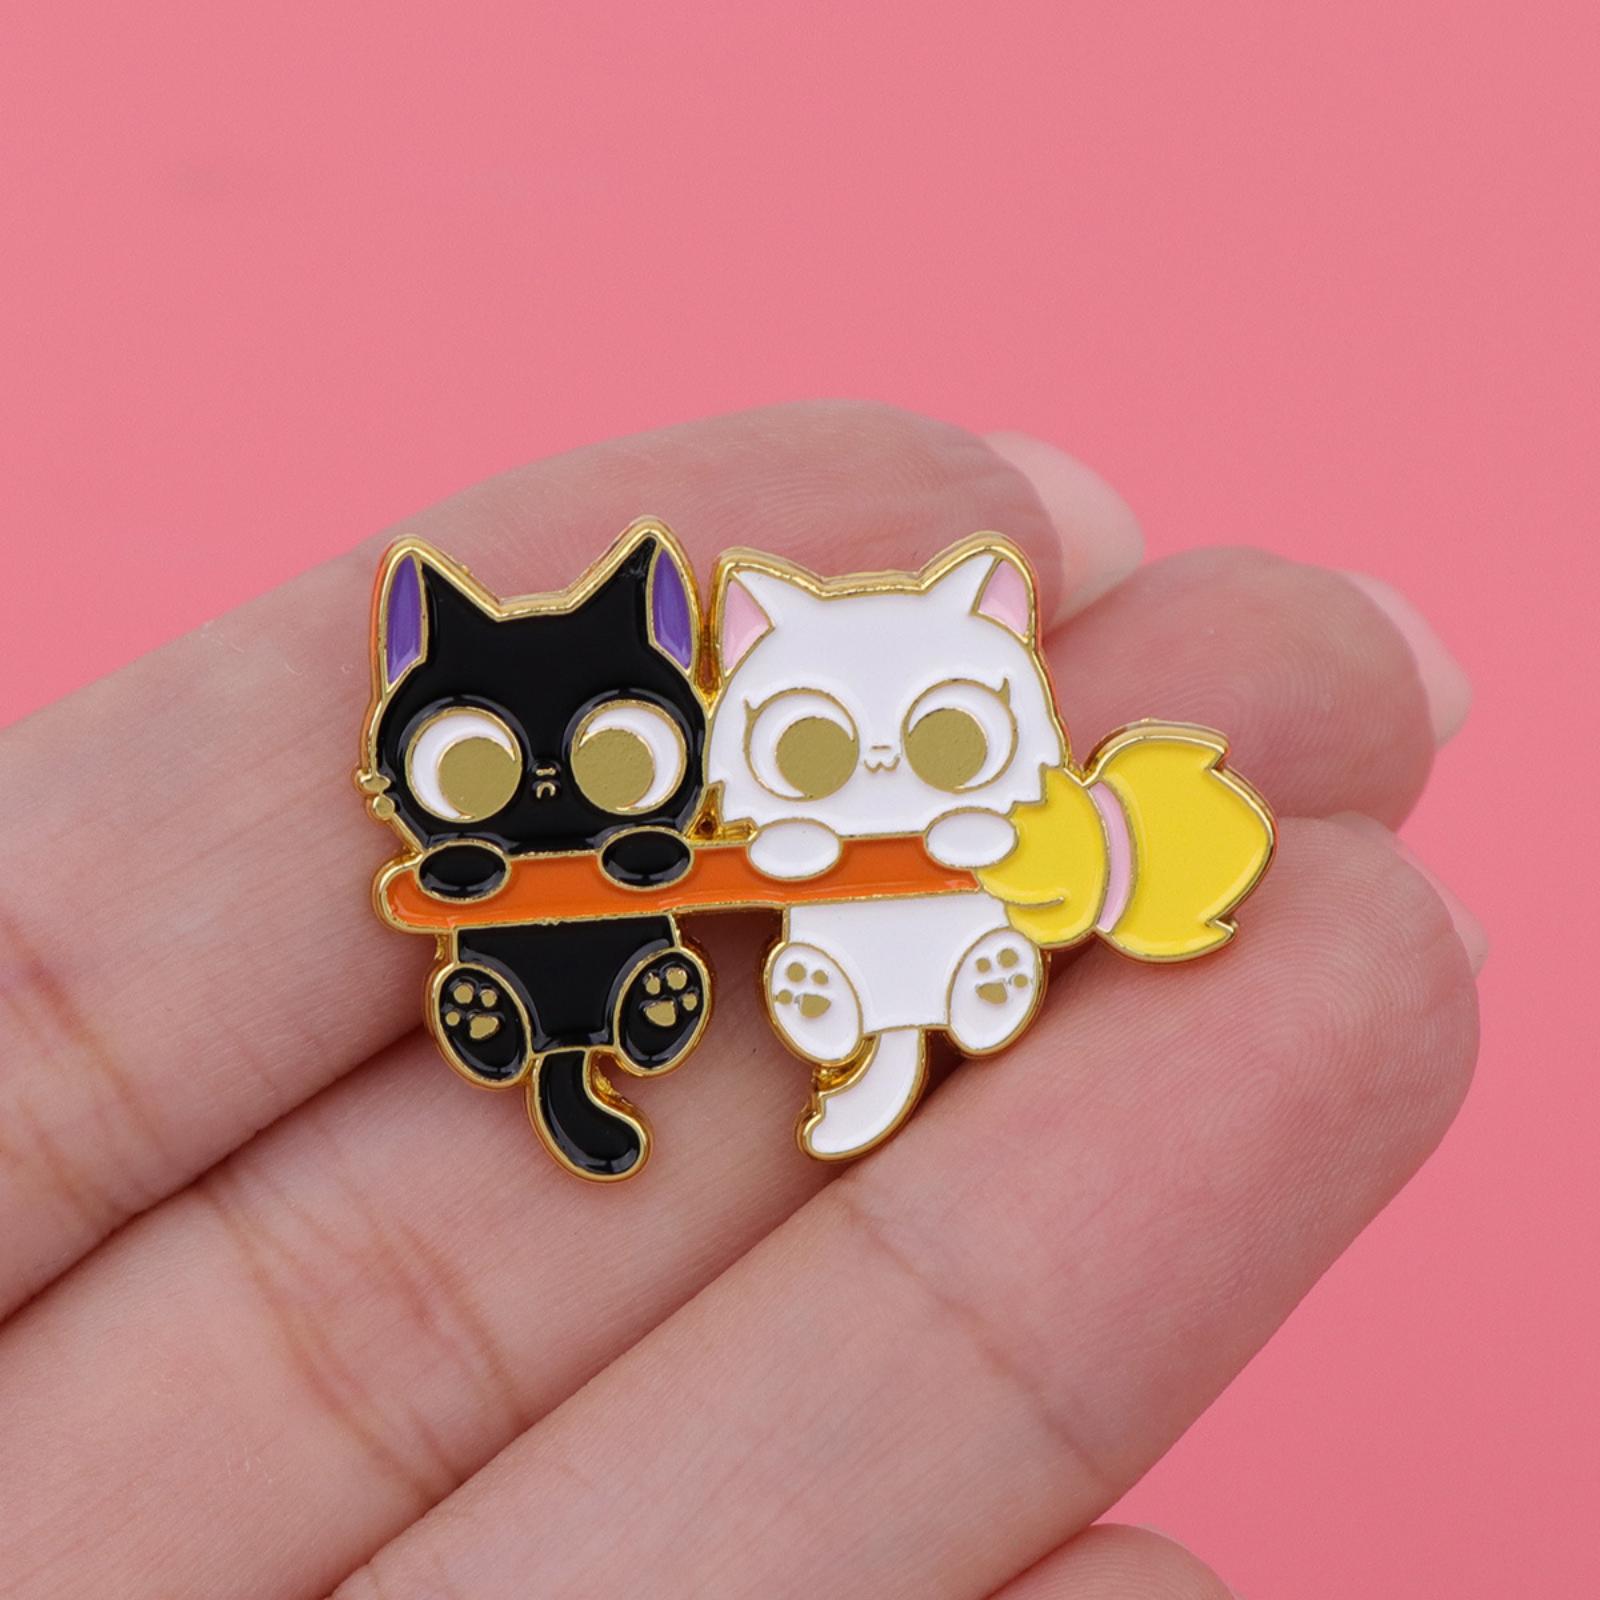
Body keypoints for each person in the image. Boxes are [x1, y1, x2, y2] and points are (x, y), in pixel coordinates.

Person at [0, 403, 1482, 1599]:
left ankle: (839, 1012)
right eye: (819, 749)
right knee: (690, 983)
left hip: (908, 926)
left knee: (799, 975)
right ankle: (648, 1027)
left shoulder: (918, 812)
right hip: (560, 947)